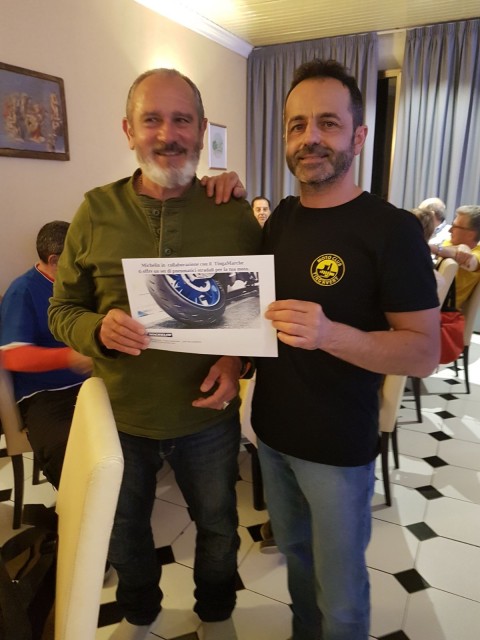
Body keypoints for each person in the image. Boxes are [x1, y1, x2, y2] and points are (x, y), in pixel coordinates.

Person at [48, 68, 261, 640]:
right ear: (129, 130)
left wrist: (235, 362)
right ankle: (140, 613)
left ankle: (216, 612)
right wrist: (96, 329)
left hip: (207, 417)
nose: (168, 134)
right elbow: (61, 309)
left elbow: (258, 309)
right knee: (125, 533)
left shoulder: (233, 211)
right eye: (152, 120)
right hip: (120, 418)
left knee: (218, 526)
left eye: (182, 120)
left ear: (202, 130)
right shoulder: (95, 210)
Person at [249, 59, 440, 640]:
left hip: (337, 449)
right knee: (297, 567)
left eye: (328, 123)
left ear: (357, 137)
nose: (310, 137)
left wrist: (331, 334)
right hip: (270, 434)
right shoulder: (279, 220)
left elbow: (423, 353)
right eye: (297, 125)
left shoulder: (393, 230)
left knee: (343, 597)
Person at [0, 221, 92, 489]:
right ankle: (80, 506)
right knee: (68, 451)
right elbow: (12, 356)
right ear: (54, 260)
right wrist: (70, 357)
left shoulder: (81, 283)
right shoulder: (23, 291)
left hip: (93, 383)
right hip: (46, 394)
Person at [430, 205, 480, 308]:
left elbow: (469, 261)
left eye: (455, 226)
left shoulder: (477, 253)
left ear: (471, 235)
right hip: (424, 296)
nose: (450, 230)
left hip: (440, 309)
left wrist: (433, 249)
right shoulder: (450, 242)